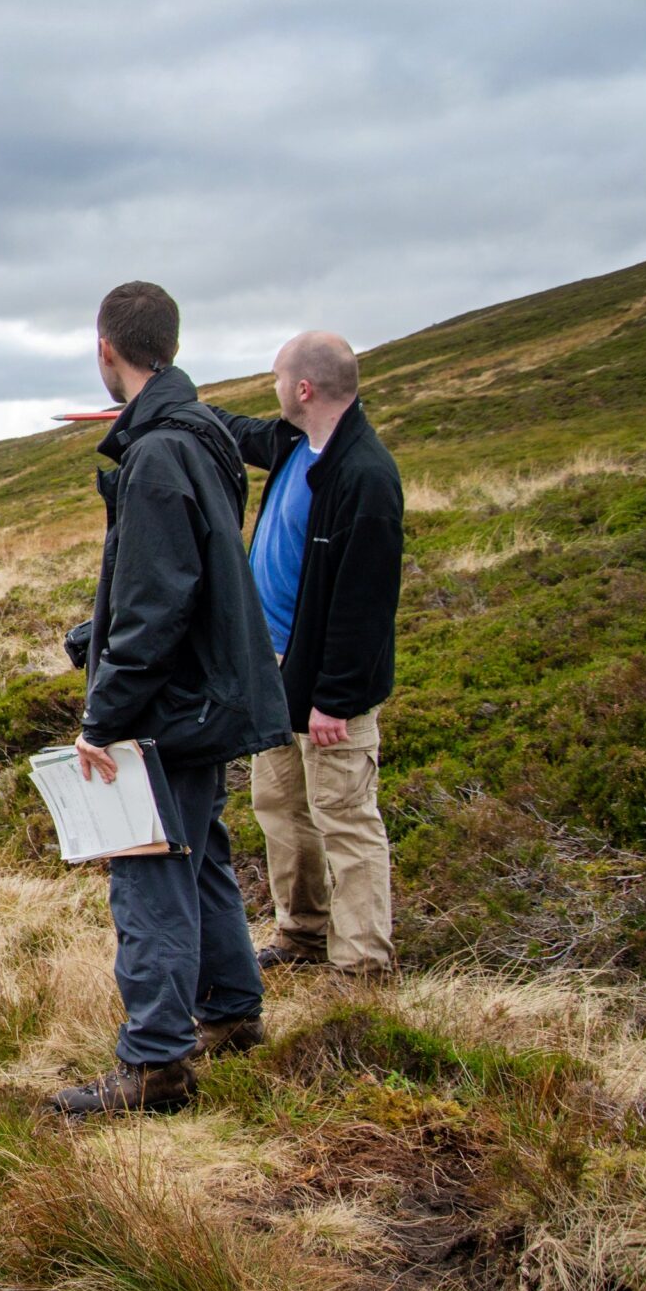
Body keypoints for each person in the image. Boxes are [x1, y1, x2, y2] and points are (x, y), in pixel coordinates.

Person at [52, 282, 290, 1116]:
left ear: (106, 350)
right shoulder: (204, 435)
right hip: (209, 696)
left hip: (172, 708)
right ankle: (231, 1011)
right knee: (204, 853)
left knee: (149, 866)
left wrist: (102, 719)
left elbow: (155, 609)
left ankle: (154, 1063)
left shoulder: (158, 454)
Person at [215, 332, 405, 977]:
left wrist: (337, 699)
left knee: (345, 821)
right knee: (281, 810)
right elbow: (239, 430)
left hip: (327, 694)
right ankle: (302, 935)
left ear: (303, 389)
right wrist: (165, 401)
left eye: (276, 379)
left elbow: (366, 605)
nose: (271, 390)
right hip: (274, 673)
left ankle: (362, 965)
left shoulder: (365, 476)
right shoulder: (296, 444)